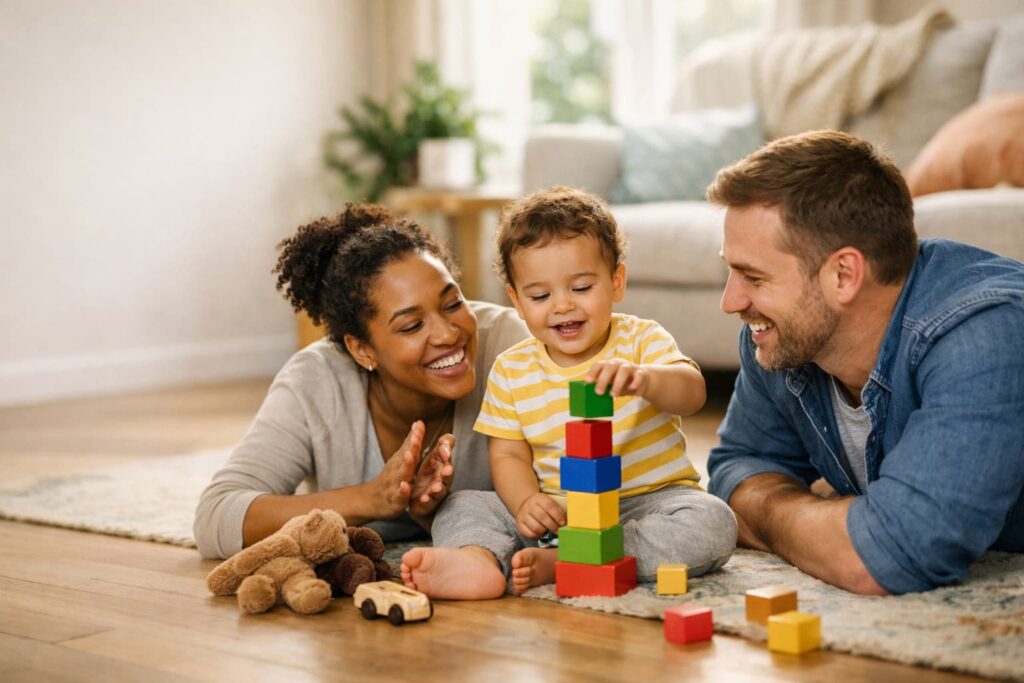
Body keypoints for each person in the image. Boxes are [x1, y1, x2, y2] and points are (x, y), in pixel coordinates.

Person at [706, 130, 1024, 595]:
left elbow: (887, 558)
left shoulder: (983, 333)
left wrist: (780, 508)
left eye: (753, 276)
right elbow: (736, 470)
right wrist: (832, 519)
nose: (731, 301)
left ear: (844, 274)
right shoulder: (779, 335)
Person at [401, 186, 738, 598]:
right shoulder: (512, 368)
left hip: (643, 504)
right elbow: (507, 452)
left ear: (616, 282)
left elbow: (692, 392)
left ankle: (572, 561)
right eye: (540, 296)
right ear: (517, 301)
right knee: (461, 504)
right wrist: (526, 502)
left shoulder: (641, 340)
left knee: (713, 520)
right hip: (557, 512)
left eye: (581, 288)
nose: (562, 306)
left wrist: (645, 379)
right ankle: (478, 558)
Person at [193, 204, 527, 559]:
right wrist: (371, 498)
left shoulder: (510, 346)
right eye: (412, 326)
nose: (448, 334)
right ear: (362, 349)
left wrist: (437, 514)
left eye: (452, 303)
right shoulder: (316, 383)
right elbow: (215, 518)